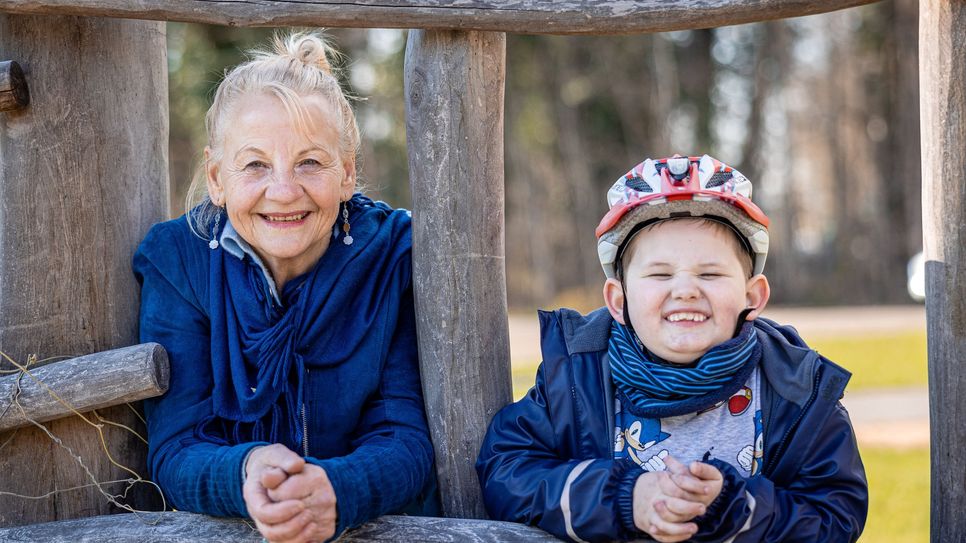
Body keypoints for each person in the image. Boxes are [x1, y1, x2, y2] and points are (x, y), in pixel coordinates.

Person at [134, 32, 436, 543]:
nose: (283, 190)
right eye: (255, 164)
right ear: (216, 176)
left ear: (347, 173)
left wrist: (335, 489)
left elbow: (405, 436)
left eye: (310, 162)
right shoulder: (176, 261)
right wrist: (248, 468)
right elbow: (176, 447)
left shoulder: (394, 254)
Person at [476, 154, 868, 542]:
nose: (685, 290)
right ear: (618, 301)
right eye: (660, 274)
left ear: (753, 295)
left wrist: (731, 508)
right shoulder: (577, 377)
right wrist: (624, 498)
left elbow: (836, 515)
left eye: (710, 273)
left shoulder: (797, 391)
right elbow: (507, 470)